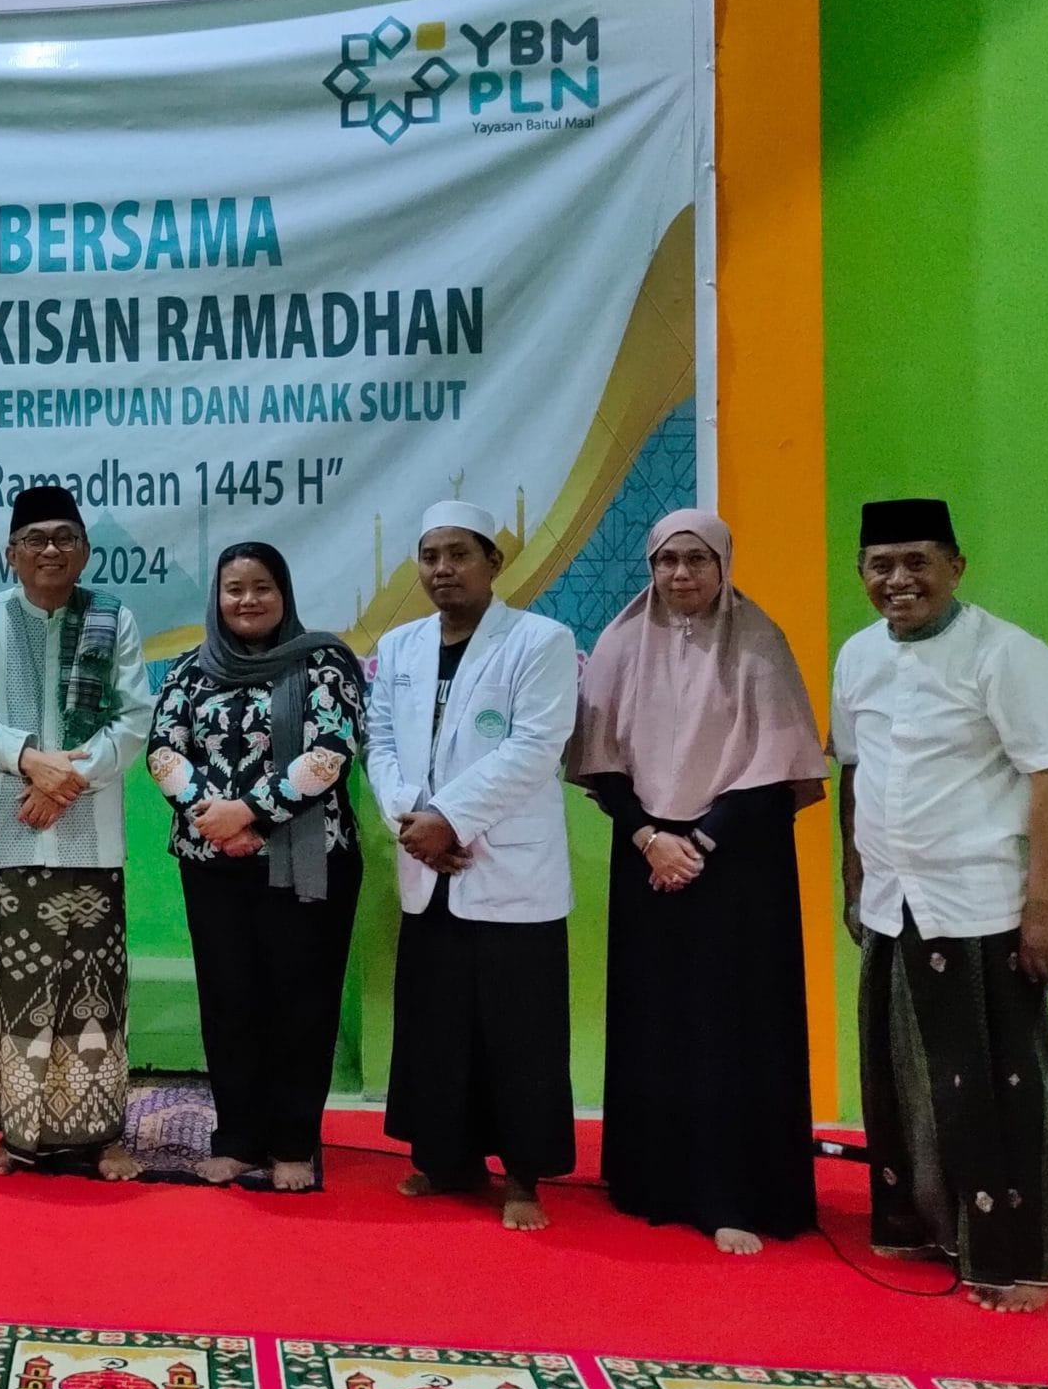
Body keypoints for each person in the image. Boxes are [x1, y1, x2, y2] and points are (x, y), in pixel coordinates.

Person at [834, 497, 1048, 1313]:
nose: (899, 580)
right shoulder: (858, 655)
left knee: (1001, 1086)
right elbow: (854, 770)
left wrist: (1046, 906)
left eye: (918, 561)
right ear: (861, 572)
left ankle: (1020, 1258)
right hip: (893, 899)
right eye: (881, 565)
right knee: (904, 1079)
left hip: (983, 904)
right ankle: (929, 1227)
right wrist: (853, 878)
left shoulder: (1008, 654)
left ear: (956, 565)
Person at [568, 509, 828, 1253]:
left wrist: (697, 842)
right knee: (656, 1019)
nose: (680, 574)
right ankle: (652, 1181)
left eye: (696, 560)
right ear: (651, 567)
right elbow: (602, 766)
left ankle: (734, 1193)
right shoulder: (621, 642)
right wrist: (652, 839)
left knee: (733, 1026)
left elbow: (776, 766)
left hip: (738, 869)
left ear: (722, 565)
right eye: (667, 561)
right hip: (646, 861)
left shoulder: (760, 641)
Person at [366, 501, 579, 1231]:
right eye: (430, 556)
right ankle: (446, 1159)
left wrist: (448, 819)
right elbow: (380, 743)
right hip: (426, 862)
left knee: (519, 1032)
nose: (442, 569)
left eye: (459, 554)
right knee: (438, 1025)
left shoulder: (540, 640)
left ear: (494, 562)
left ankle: (522, 1175)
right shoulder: (399, 646)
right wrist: (410, 817)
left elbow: (535, 746)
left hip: (505, 867)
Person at [0, 485, 152, 1180]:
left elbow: (134, 717)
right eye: (35, 539)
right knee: (14, 991)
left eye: (65, 537)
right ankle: (16, 1132)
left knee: (95, 987)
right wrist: (31, 760)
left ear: (85, 551)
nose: (51, 550)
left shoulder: (112, 619)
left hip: (90, 841)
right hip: (6, 839)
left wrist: (68, 778)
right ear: (12, 553)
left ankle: (101, 1132)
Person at [147, 541, 365, 1192]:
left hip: (307, 861)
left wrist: (249, 813)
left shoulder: (323, 660)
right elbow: (163, 749)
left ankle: (294, 1140)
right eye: (234, 588)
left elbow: (331, 749)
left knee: (301, 1003)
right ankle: (238, 1137)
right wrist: (210, 814)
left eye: (262, 587)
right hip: (212, 863)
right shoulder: (190, 668)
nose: (247, 600)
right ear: (217, 598)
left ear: (284, 593)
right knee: (229, 1002)